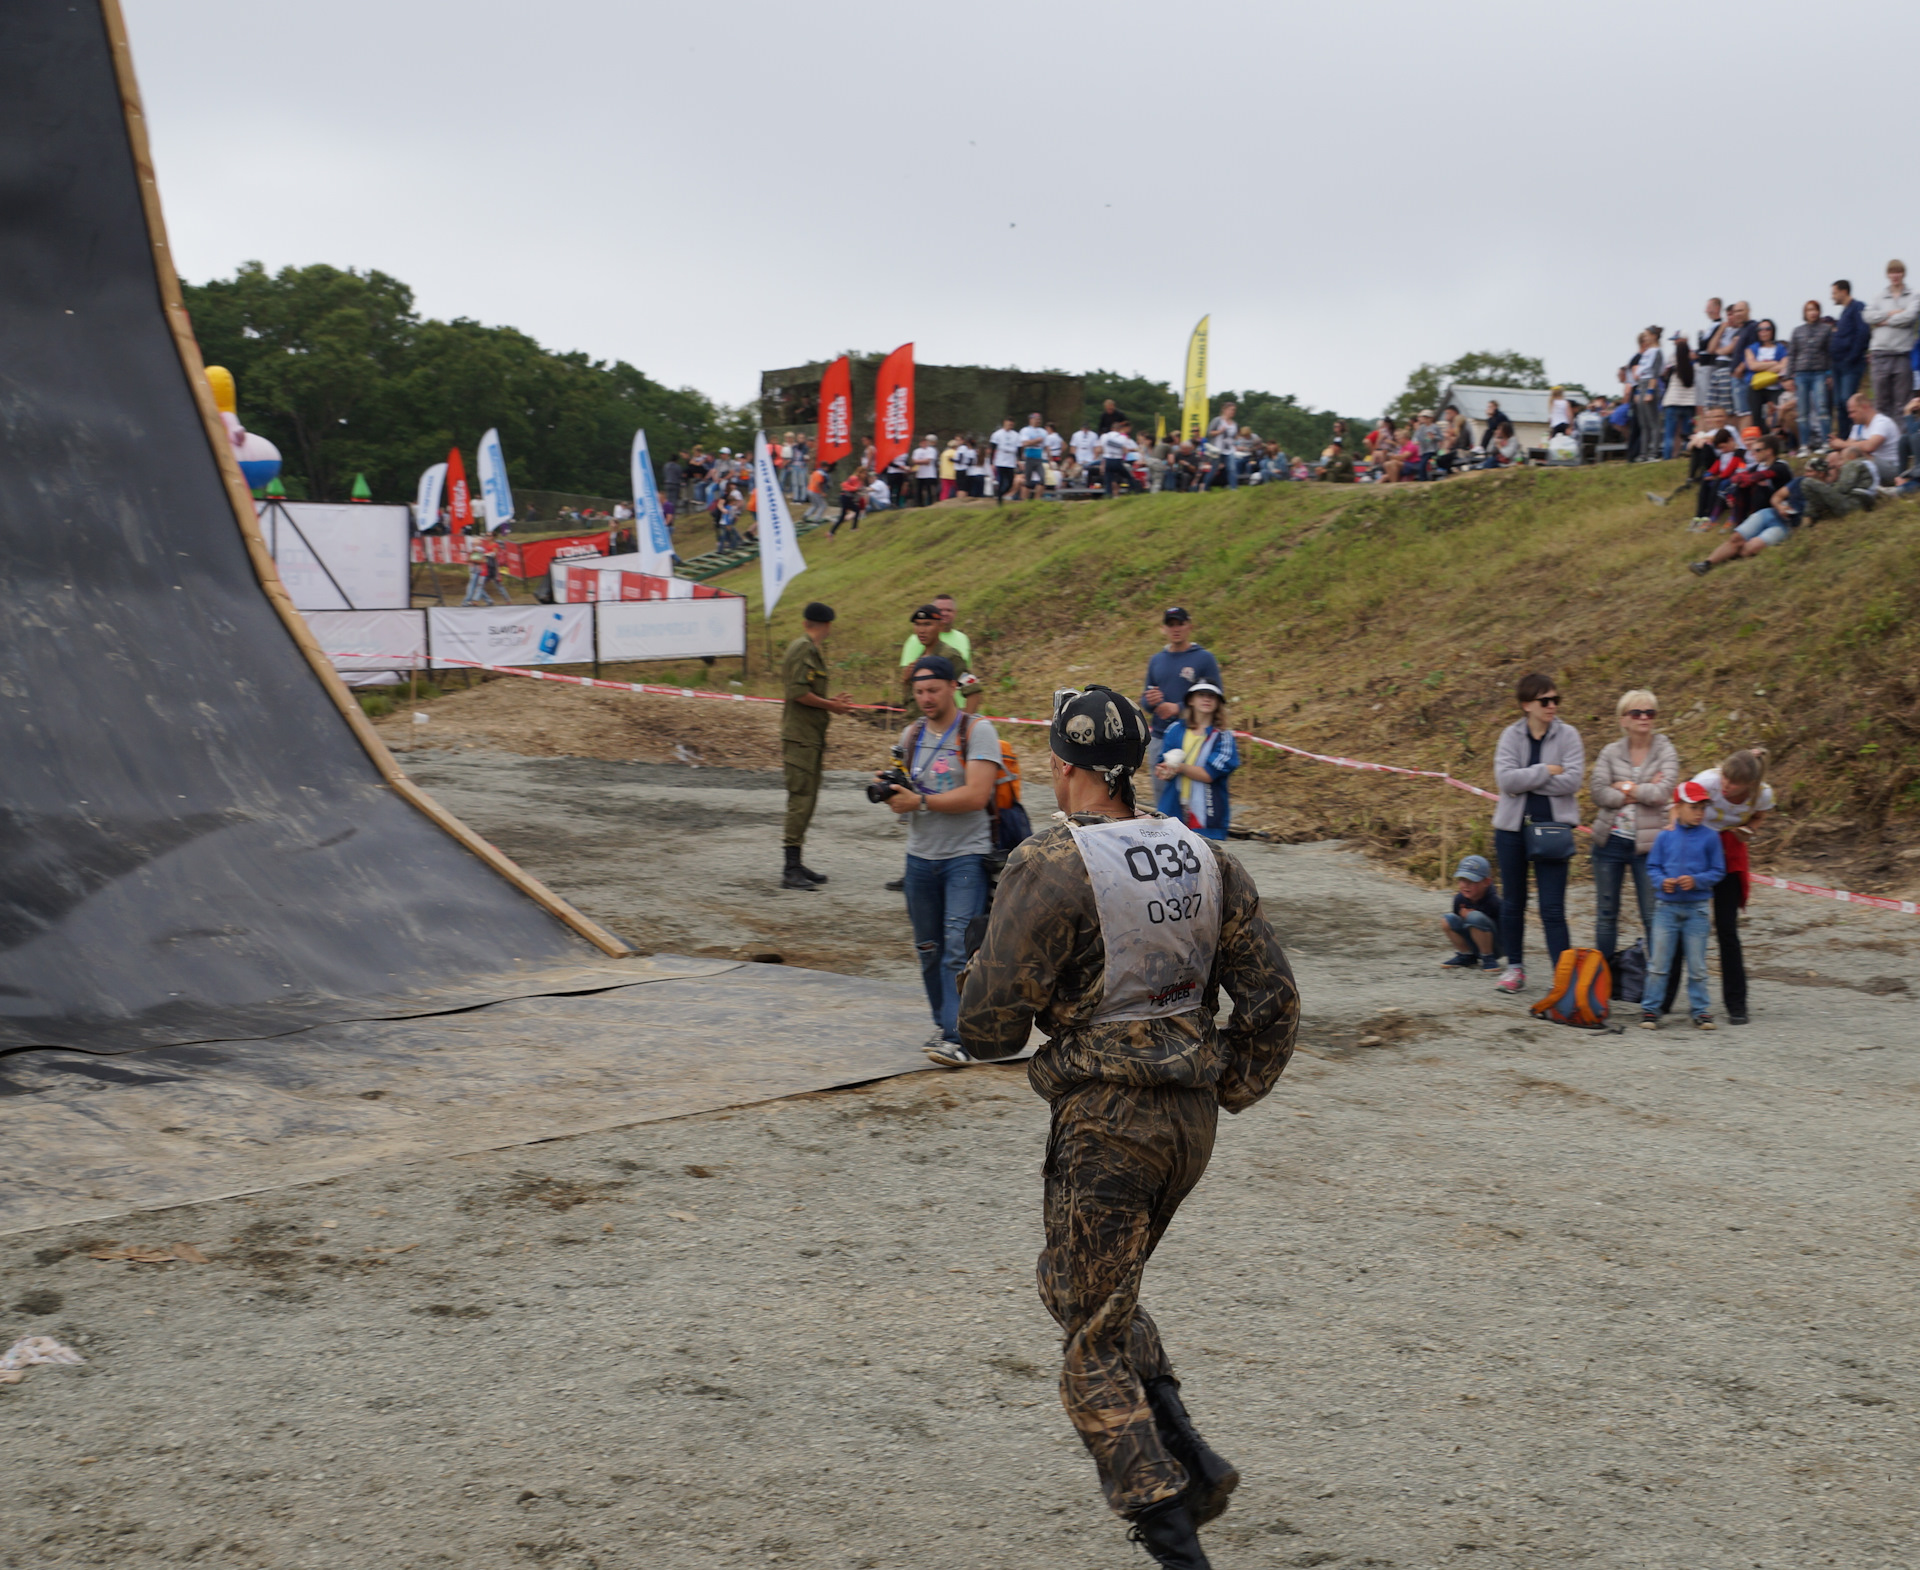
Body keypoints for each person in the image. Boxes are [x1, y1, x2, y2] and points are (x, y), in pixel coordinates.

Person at [954, 684, 1299, 1570]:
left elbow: (989, 1030)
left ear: (1062, 766)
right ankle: (1190, 1450)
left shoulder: (1050, 864)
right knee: (1094, 1292)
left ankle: (1174, 1529)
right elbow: (1273, 998)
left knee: (1089, 1333)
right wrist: (1230, 1083)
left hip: (1107, 1121)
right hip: (1188, 1123)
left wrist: (979, 970)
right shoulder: (1202, 855)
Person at [875, 656, 999, 1055]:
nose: (926, 699)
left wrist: (920, 803)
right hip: (920, 857)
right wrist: (891, 789)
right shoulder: (911, 734)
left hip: (965, 855)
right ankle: (944, 1025)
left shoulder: (977, 731)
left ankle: (956, 1037)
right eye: (919, 692)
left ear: (952, 687)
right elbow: (907, 785)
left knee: (957, 949)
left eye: (933, 690)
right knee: (928, 949)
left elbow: (978, 795)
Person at [1659, 748, 1773, 1025]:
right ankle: (1662, 1000)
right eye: (1724, 778)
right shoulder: (1706, 781)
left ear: (1749, 785)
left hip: (1728, 851)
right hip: (1696, 846)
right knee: (1681, 922)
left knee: (1727, 929)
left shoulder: (1764, 794)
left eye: (1733, 784)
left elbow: (1759, 815)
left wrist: (1749, 830)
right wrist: (1674, 840)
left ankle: (1736, 1004)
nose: (1725, 786)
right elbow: (1678, 805)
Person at [1491, 673, 1584, 994]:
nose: (1552, 706)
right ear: (1526, 704)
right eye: (1545, 701)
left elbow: (1572, 781)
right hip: (1512, 830)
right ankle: (1514, 968)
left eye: (1556, 700)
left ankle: (1565, 977)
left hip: (1554, 830)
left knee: (1553, 908)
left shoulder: (1569, 735)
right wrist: (1546, 770)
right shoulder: (1510, 736)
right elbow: (1506, 781)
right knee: (1513, 902)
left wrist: (1527, 778)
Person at [1586, 690, 1679, 965]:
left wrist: (1625, 787)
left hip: (1650, 845)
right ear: (1623, 719)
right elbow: (1598, 792)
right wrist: (1641, 789)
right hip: (1610, 841)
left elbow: (1663, 792)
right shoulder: (1610, 751)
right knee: (1606, 914)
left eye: (1650, 713)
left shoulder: (1665, 748)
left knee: (1652, 916)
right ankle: (1599, 985)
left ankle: (1656, 991)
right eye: (1637, 713)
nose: (1644, 718)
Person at [1637, 782, 1726, 1031]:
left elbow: (1719, 870)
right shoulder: (1665, 836)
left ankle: (1701, 1010)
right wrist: (1661, 882)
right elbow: (1653, 866)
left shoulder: (1711, 837)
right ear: (1678, 807)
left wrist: (1697, 881)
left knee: (1697, 965)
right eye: (1693, 807)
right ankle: (1651, 1009)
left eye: (1703, 807)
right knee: (1658, 964)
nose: (1699, 812)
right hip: (1666, 909)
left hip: (1697, 909)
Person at [779, 604, 855, 890]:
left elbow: (806, 690)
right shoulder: (803, 649)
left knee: (806, 800)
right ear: (826, 624)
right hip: (800, 737)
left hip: (808, 736)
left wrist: (829, 701)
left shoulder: (807, 648)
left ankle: (796, 863)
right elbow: (797, 692)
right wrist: (832, 706)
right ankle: (790, 868)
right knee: (800, 801)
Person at [1689, 436, 1795, 573]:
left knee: (1748, 548)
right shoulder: (1759, 466)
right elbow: (1737, 479)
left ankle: (1730, 555)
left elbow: (1756, 477)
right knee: (1736, 538)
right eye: (1752, 450)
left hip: (1783, 517)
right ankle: (1706, 564)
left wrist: (1746, 479)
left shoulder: (1781, 466)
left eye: (1757, 450)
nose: (1752, 454)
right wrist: (1737, 487)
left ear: (1769, 451)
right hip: (1764, 513)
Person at [1151, 681, 1238, 839]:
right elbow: (1162, 763)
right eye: (1201, 695)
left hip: (1207, 816)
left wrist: (1179, 767)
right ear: (1190, 700)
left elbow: (1209, 774)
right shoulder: (1175, 729)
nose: (1207, 699)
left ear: (1218, 702)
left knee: (1207, 861)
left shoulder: (1223, 736)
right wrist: (1164, 771)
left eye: (1212, 696)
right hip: (1173, 809)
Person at [1141, 608, 1222, 771]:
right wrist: (1150, 702)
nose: (1176, 629)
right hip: (1160, 737)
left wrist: (1178, 708)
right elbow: (1145, 700)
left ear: (1189, 626)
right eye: (1171, 625)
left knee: (1190, 792)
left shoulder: (1204, 658)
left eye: (1180, 624)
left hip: (1193, 735)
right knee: (1162, 795)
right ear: (1164, 629)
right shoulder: (1156, 660)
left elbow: (1217, 696)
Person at [1864, 260, 1919, 417]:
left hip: (1902, 354)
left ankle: (1901, 440)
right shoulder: (1878, 297)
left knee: (1902, 402)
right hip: (1880, 354)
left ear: (1903, 274)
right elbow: (1867, 316)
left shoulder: (1914, 295)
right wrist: (1891, 313)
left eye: (1898, 272)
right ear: (1888, 275)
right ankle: (1884, 439)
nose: (1895, 275)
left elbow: (1909, 316)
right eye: (1892, 272)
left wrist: (1884, 322)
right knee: (1881, 402)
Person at [1440, 854, 1504, 971]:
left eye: (1471, 881)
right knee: (1447, 919)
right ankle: (1467, 955)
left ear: (1486, 882)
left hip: (1496, 945)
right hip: (1473, 941)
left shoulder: (1494, 901)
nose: (1465, 885)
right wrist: (1466, 918)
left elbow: (1505, 930)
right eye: (1462, 880)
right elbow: (1458, 923)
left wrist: (1474, 916)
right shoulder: (1459, 899)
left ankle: (1488, 958)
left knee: (1475, 917)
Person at [1787, 299, 1835, 450]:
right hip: (1801, 373)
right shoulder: (1797, 331)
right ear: (1805, 313)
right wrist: (1789, 375)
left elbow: (1829, 353)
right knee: (1802, 411)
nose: (1812, 313)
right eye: (1809, 310)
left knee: (1822, 408)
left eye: (1814, 310)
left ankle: (1826, 442)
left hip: (1819, 372)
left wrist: (1829, 373)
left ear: (1819, 312)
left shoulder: (1826, 329)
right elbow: (1792, 354)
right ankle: (1804, 445)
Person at [898, 605, 969, 703]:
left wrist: (963, 719)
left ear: (940, 626)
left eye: (927, 624)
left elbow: (973, 691)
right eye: (917, 624)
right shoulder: (919, 659)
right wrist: (906, 681)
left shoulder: (950, 656)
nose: (921, 630)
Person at [1836, 391, 1902, 484]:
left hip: (1891, 470)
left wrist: (1841, 444)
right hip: (1872, 466)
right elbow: (1846, 449)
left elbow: (1869, 446)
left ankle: (1845, 485)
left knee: (1857, 452)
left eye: (1853, 412)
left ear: (1864, 407)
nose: (1850, 416)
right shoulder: (1858, 426)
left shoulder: (1882, 422)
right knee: (1834, 456)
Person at [1829, 280, 1869, 422]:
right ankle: (1843, 438)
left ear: (1843, 291)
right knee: (1839, 403)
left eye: (1834, 293)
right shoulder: (1844, 312)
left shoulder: (1857, 307)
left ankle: (1853, 435)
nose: (1832, 296)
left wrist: (1852, 356)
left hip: (1851, 364)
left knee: (1848, 400)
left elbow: (1863, 332)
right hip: (1838, 364)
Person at [1740, 320, 1788, 432]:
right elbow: (1752, 365)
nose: (1764, 332)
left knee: (1776, 413)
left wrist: (1761, 367)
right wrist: (1773, 363)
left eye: (1767, 329)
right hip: (1756, 386)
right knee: (1756, 416)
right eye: (1760, 329)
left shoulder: (1780, 348)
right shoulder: (1751, 348)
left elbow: (1784, 366)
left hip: (1775, 386)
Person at [1099, 420, 1144, 496]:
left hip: (1108, 460)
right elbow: (1125, 451)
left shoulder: (1104, 436)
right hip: (1117, 460)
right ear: (1120, 429)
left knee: (1108, 479)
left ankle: (1108, 494)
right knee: (1128, 476)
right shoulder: (1122, 438)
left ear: (1111, 428)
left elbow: (1101, 449)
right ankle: (1135, 489)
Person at [1207, 402, 1241, 488]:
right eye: (1231, 410)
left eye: (1234, 410)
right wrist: (1220, 431)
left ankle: (1234, 488)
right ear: (1225, 410)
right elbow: (1209, 433)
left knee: (1232, 468)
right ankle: (1204, 486)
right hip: (1217, 450)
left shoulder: (1234, 424)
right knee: (1214, 470)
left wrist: (1237, 443)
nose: (1233, 412)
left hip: (1229, 450)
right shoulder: (1217, 420)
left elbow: (1235, 437)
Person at [989, 417, 1022, 503]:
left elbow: (1019, 448)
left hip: (1010, 460)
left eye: (1011, 424)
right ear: (1004, 423)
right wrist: (991, 462)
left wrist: (1019, 460)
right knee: (1001, 480)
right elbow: (993, 448)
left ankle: (1001, 494)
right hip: (1000, 460)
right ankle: (1000, 500)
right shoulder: (997, 434)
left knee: (1010, 482)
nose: (1010, 425)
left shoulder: (1016, 435)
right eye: (1008, 423)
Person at [1017, 411, 1049, 493]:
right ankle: (1024, 500)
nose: (1038, 421)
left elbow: (1046, 446)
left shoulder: (1043, 431)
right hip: (1028, 457)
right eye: (1036, 419)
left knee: (1042, 479)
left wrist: (1050, 459)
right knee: (1027, 481)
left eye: (1039, 419)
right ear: (1030, 420)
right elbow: (1024, 443)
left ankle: (1037, 499)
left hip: (1038, 458)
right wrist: (1036, 441)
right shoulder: (1025, 430)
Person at [910, 435, 939, 509]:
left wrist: (919, 461)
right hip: (920, 473)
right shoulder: (917, 451)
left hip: (930, 474)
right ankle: (919, 504)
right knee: (919, 490)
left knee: (930, 490)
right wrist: (921, 461)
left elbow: (928, 461)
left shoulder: (931, 450)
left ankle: (930, 503)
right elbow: (914, 461)